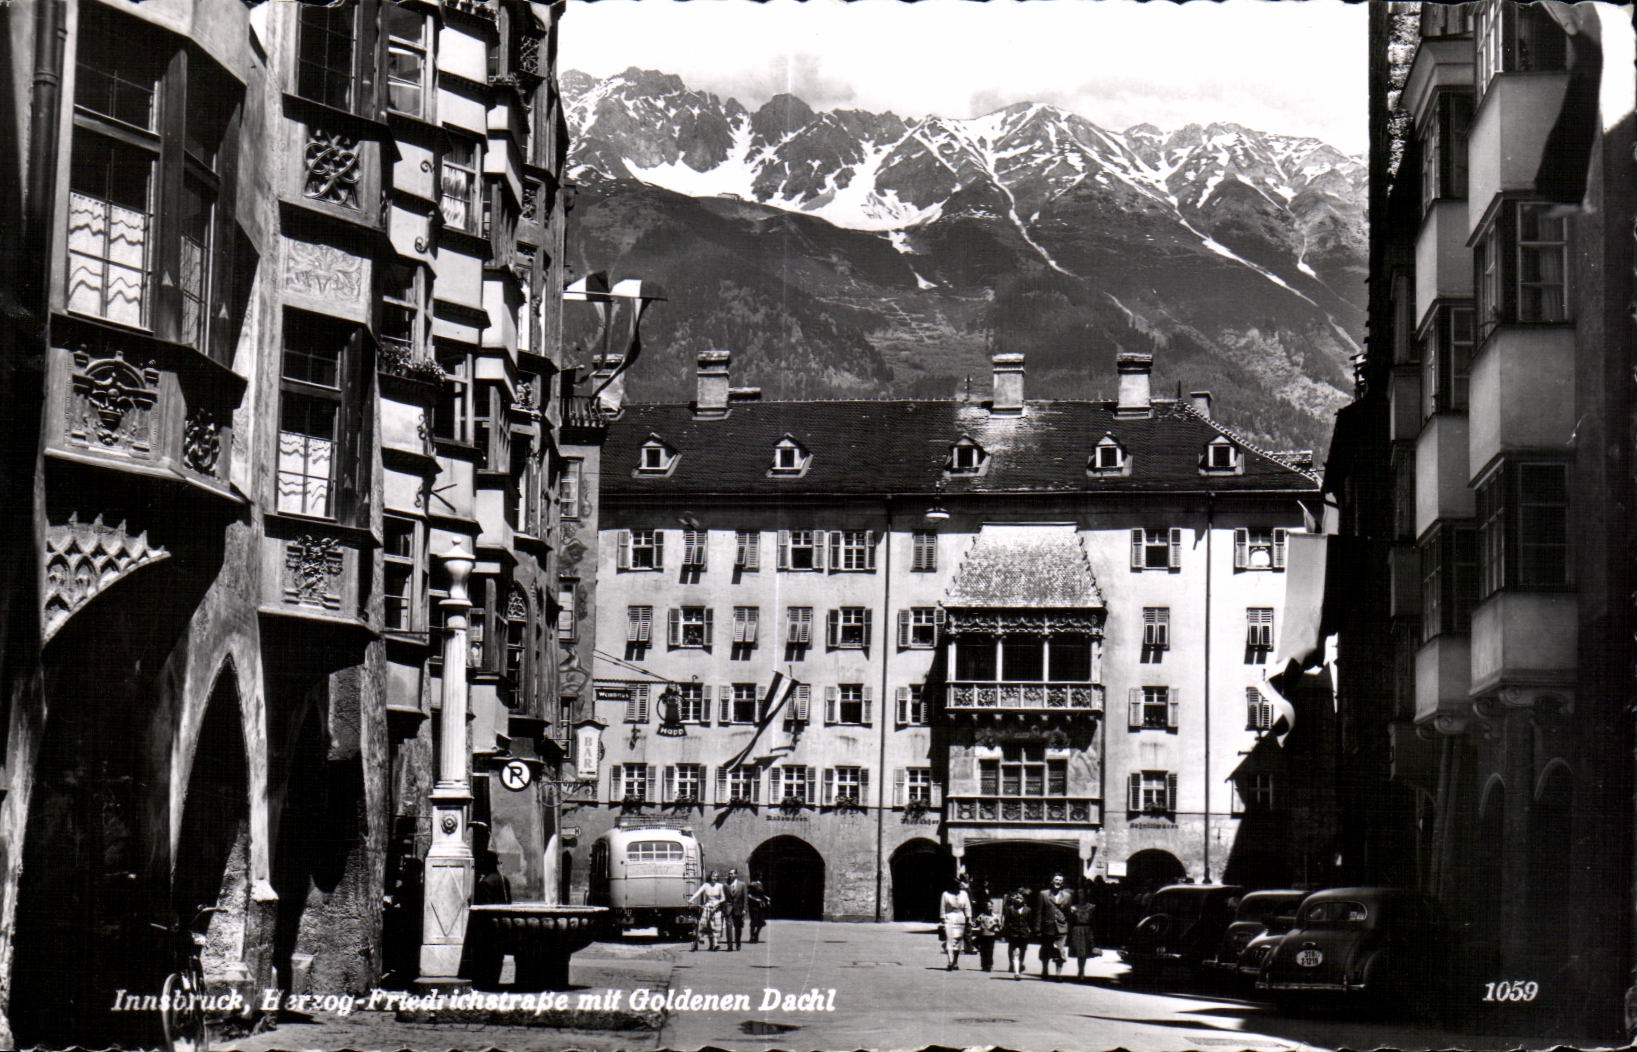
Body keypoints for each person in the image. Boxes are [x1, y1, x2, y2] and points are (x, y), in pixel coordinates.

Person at [1036, 873, 1072, 978]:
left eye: (1060, 880)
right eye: (1056, 879)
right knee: (1046, 949)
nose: (1058, 882)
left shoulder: (1067, 896)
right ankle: (1045, 970)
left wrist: (1069, 928)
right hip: (1047, 927)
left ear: (1062, 883)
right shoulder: (1043, 894)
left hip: (1062, 928)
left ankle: (1058, 974)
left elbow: (1068, 914)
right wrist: (1037, 928)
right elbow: (1039, 912)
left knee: (1060, 950)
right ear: (1052, 881)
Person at [938, 877, 973, 971]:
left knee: (958, 941)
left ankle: (955, 962)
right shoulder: (945, 894)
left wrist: (968, 919)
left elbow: (968, 907)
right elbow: (942, 908)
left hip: (961, 918)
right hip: (949, 918)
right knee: (950, 940)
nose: (958, 888)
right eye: (956, 886)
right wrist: (942, 920)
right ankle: (950, 961)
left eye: (958, 885)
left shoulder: (964, 894)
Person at [688, 870, 726, 951]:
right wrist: (691, 899)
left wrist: (717, 903)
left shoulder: (720, 886)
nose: (714, 878)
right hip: (708, 906)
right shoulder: (706, 885)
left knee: (715, 925)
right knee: (706, 924)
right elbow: (698, 892)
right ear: (710, 876)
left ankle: (715, 944)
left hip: (716, 907)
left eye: (716, 877)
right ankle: (710, 943)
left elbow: (723, 898)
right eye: (713, 876)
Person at [1002, 887, 1034, 979]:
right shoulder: (1010, 909)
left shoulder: (1028, 910)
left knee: (1022, 952)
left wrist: (1029, 931)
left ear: (1023, 900)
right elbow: (1007, 922)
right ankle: (1016, 972)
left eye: (1020, 898)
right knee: (1016, 952)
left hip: (1024, 934)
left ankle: (1019, 966)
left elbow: (1030, 922)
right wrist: (1005, 933)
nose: (1019, 900)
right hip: (1013, 933)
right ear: (1014, 899)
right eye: (1017, 898)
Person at [1067, 894, 1097, 978]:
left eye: (1083, 894)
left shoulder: (1091, 907)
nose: (1081, 896)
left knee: (1084, 952)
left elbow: (1094, 921)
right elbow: (1070, 921)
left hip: (1087, 930)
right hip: (1077, 930)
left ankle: (1082, 970)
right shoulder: (1073, 908)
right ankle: (1080, 970)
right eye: (1079, 894)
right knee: (1080, 952)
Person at [972, 901, 1001, 972]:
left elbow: (999, 925)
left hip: (991, 935)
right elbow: (976, 923)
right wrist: (973, 924)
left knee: (990, 951)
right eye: (988, 906)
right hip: (983, 935)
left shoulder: (995, 916)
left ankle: (989, 965)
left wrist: (996, 925)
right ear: (985, 907)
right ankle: (983, 965)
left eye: (991, 906)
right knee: (983, 951)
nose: (989, 908)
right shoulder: (982, 916)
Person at [723, 868, 748, 951]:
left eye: (733, 874)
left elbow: (745, 898)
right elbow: (724, 898)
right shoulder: (726, 885)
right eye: (730, 874)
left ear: (736, 874)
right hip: (728, 909)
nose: (731, 875)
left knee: (738, 928)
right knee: (728, 927)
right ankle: (729, 945)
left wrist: (744, 909)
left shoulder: (742, 885)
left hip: (738, 909)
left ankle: (738, 943)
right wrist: (724, 909)